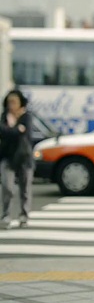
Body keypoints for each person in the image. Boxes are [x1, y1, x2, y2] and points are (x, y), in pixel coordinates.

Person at [0, 90, 34, 230]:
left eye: (14, 102)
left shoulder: (26, 117)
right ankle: (6, 214)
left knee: (25, 188)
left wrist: (12, 130)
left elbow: (25, 134)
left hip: (23, 157)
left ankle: (24, 215)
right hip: (7, 156)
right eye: (9, 102)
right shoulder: (4, 117)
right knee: (7, 186)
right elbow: (4, 131)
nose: (11, 105)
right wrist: (15, 129)